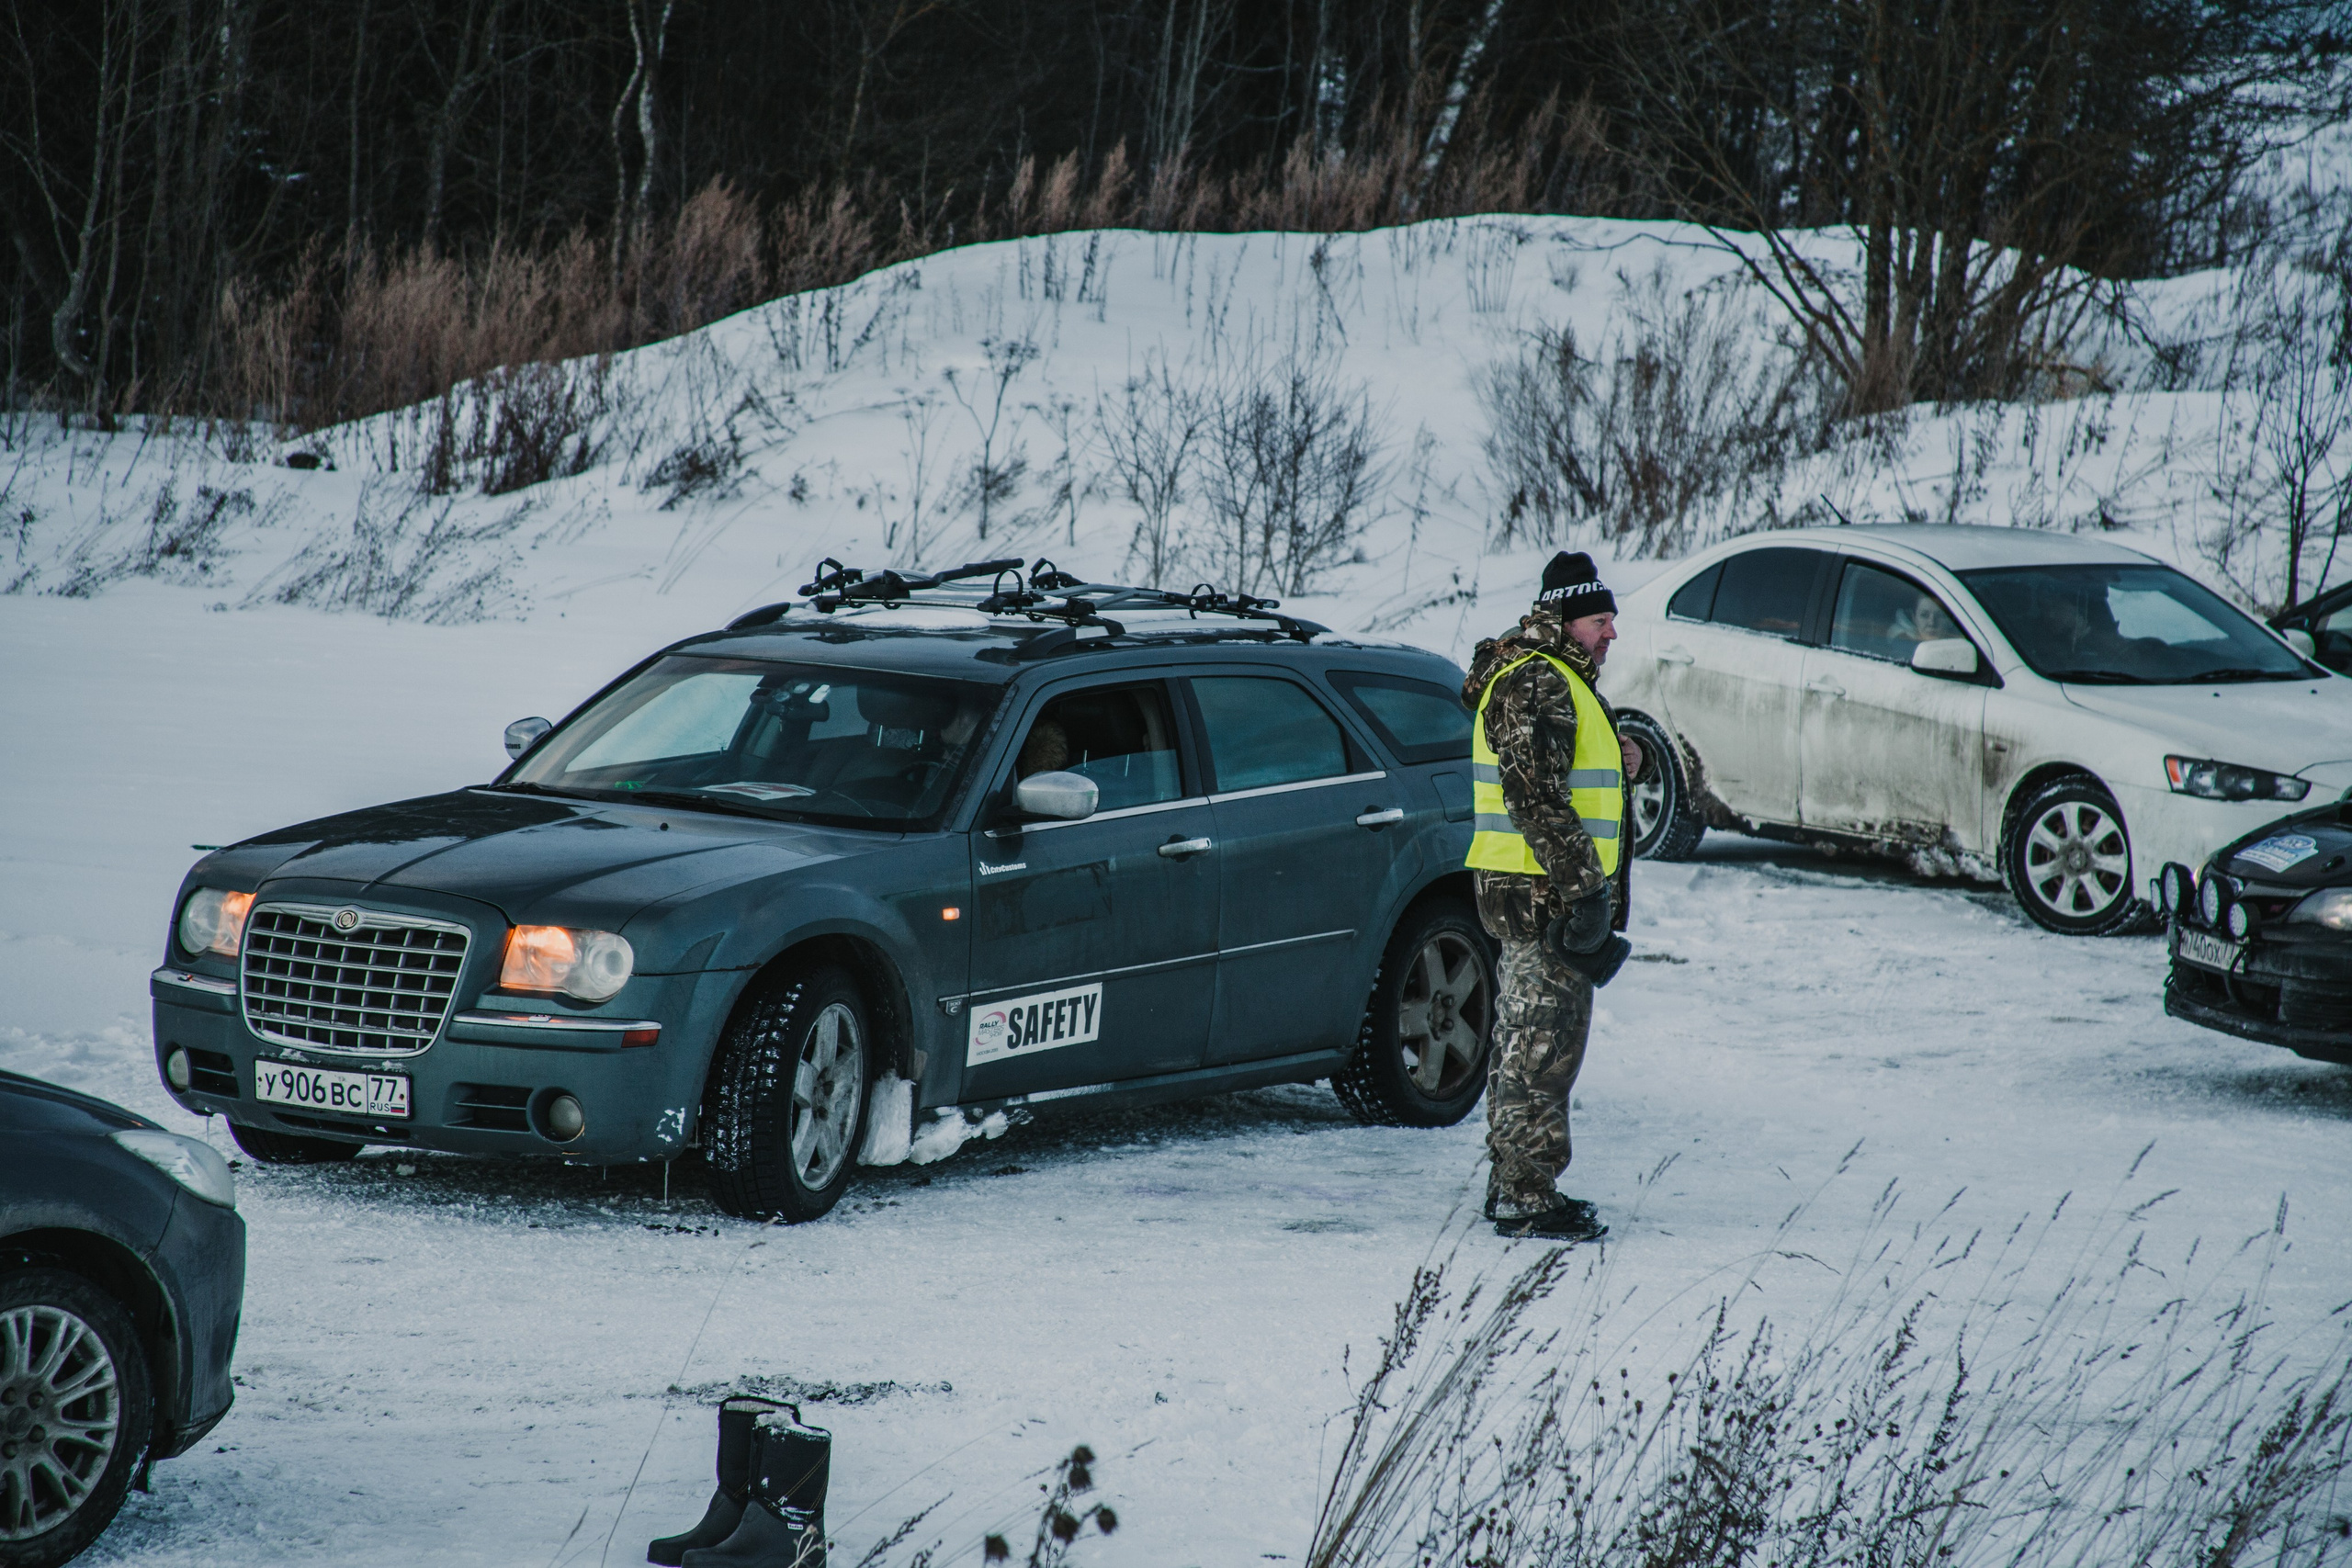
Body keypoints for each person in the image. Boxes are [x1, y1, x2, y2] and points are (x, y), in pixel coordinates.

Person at [1462, 550, 1642, 1242]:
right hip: (1544, 894)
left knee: (1526, 1040)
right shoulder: (1537, 681)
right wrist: (1585, 889)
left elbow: (1569, 775)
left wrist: (1632, 758)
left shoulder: (1555, 678)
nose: (1611, 634)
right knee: (1542, 1046)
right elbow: (1535, 797)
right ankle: (1526, 1194)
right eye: (1601, 620)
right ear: (1566, 620)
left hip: (1539, 889)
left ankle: (1515, 1181)